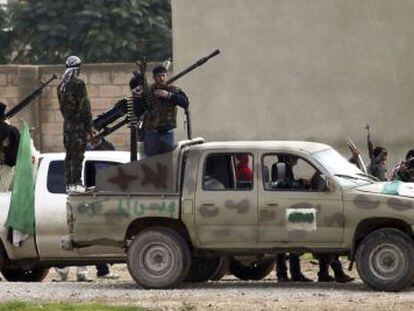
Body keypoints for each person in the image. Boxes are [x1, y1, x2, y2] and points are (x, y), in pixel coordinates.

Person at [57, 55, 92, 192]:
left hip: (67, 125)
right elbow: (85, 107)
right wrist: (89, 128)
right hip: (78, 126)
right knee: (78, 154)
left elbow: (62, 108)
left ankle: (69, 183)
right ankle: (76, 183)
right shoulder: (78, 84)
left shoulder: (60, 86)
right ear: (78, 68)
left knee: (69, 154)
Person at [143, 65, 189, 156]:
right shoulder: (148, 91)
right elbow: (139, 109)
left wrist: (169, 95)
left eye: (163, 75)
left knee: (168, 161)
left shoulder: (173, 90)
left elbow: (185, 102)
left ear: (167, 76)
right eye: (159, 76)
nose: (162, 78)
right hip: (153, 133)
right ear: (154, 78)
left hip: (168, 133)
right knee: (151, 161)